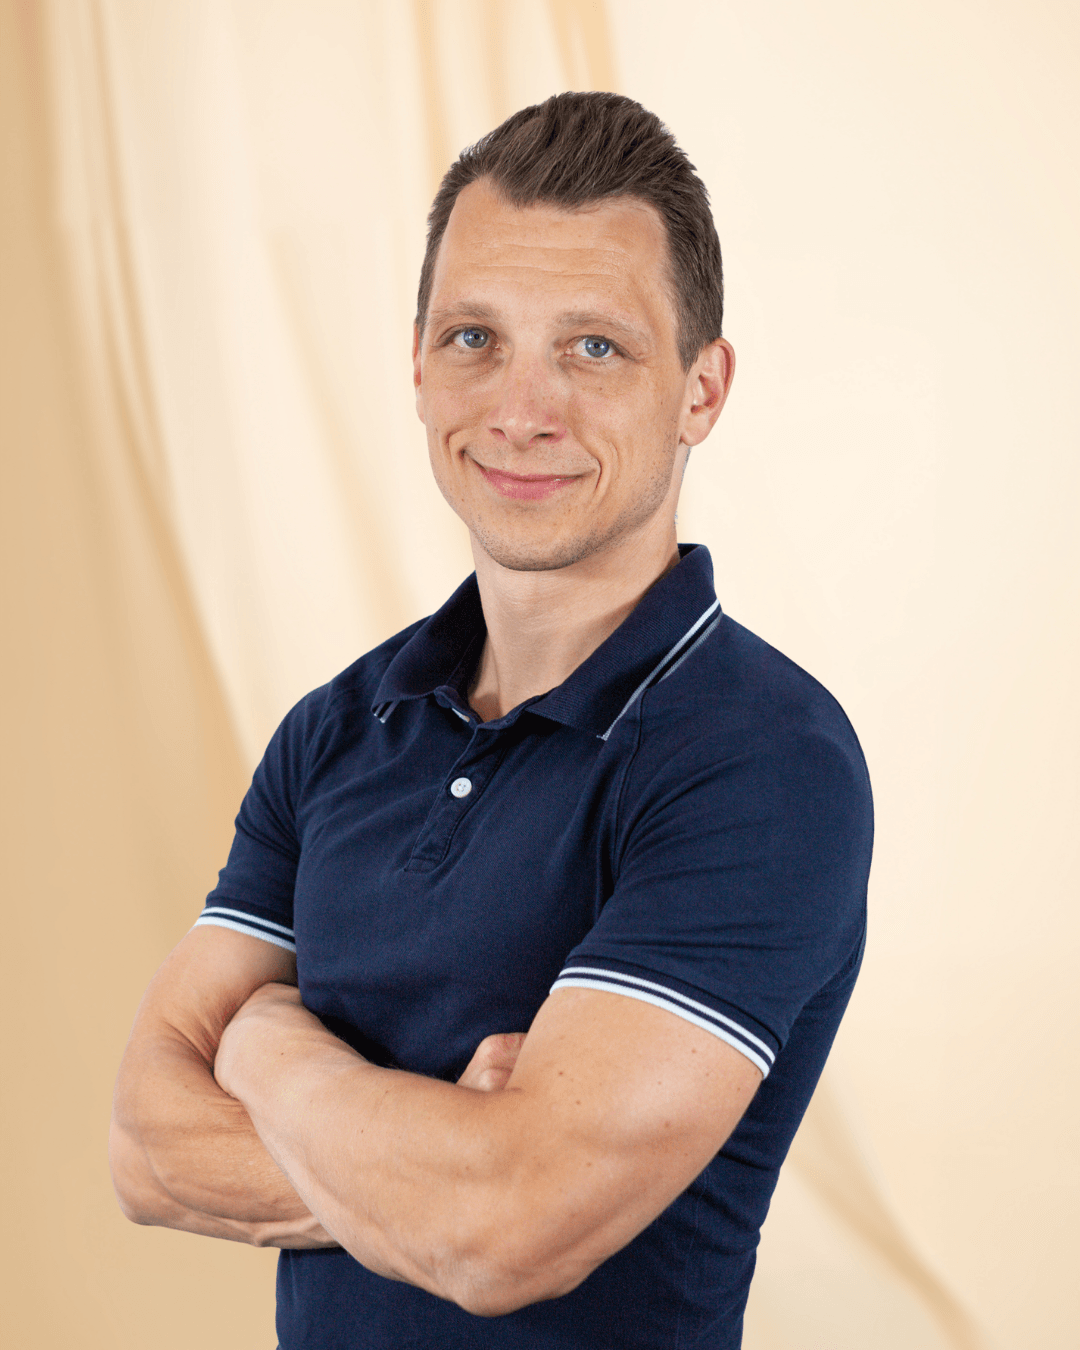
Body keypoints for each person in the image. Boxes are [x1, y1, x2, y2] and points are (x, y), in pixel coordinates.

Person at [110, 91, 872, 1349]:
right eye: (475, 337)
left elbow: (506, 1226)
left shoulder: (761, 761)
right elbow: (146, 1146)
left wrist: (265, 1049)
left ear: (702, 389)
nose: (522, 410)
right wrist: (436, 1155)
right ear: (416, 365)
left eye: (594, 348)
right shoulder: (334, 732)